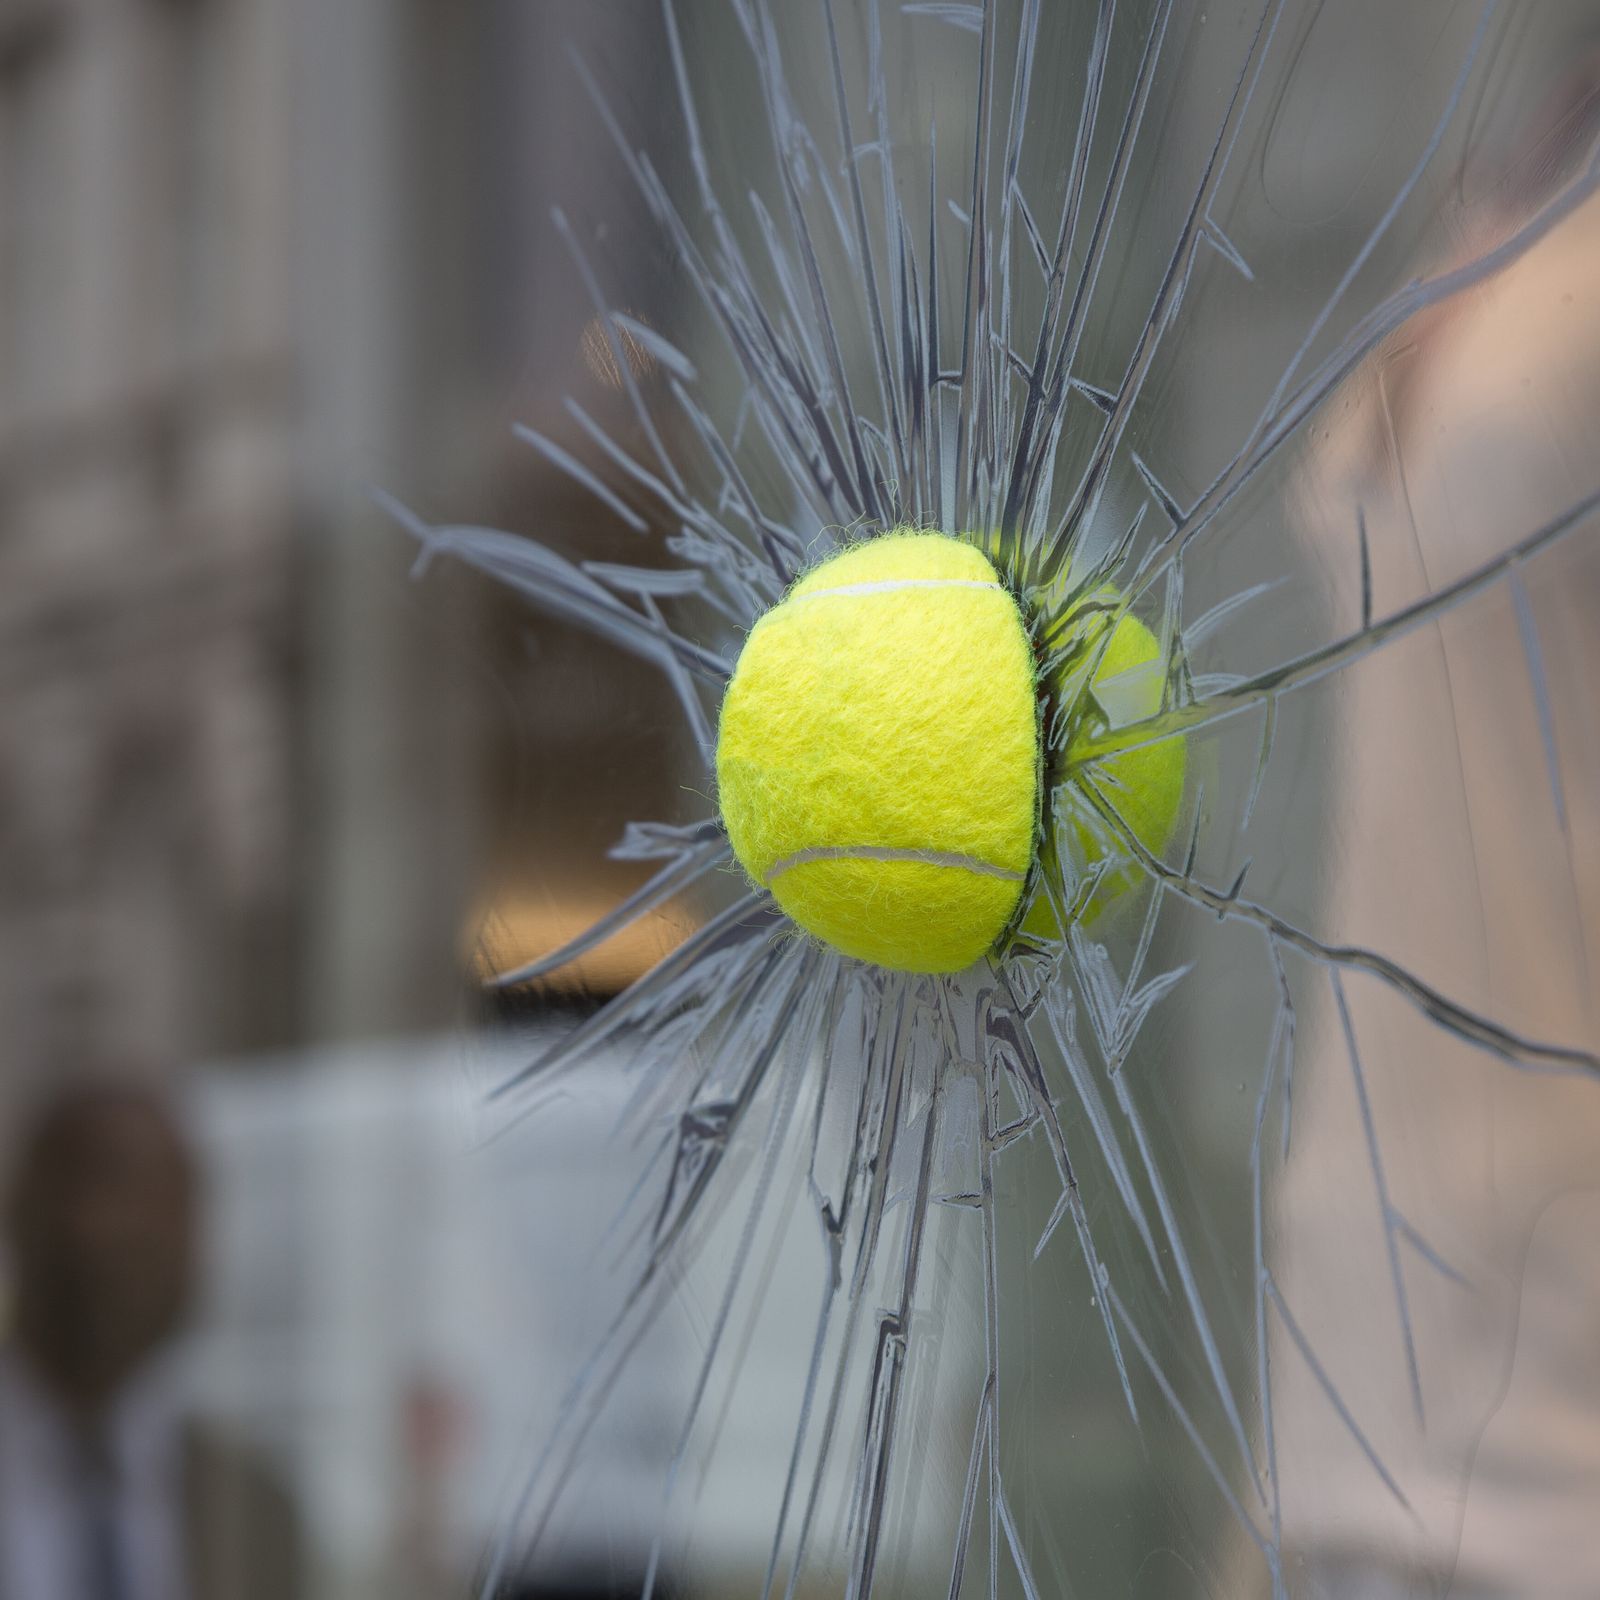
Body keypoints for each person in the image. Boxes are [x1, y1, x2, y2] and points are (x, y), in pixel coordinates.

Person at [0, 1079, 305, 1600]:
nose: (139, 1230)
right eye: (106, 1180)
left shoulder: (252, 1509)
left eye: (173, 1201)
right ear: (24, 1208)